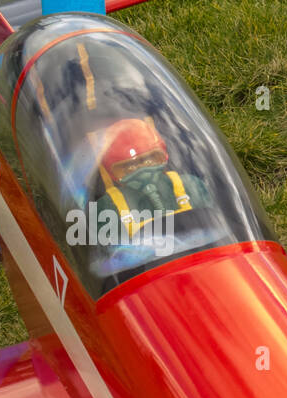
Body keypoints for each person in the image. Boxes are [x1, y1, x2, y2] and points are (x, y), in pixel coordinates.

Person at [89, 118, 212, 278]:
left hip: (203, 266)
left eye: (150, 159)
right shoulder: (107, 208)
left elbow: (218, 228)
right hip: (147, 279)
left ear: (163, 154)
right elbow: (106, 268)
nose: (143, 171)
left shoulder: (192, 187)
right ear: (112, 173)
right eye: (129, 166)